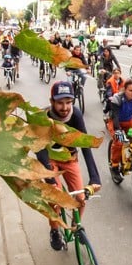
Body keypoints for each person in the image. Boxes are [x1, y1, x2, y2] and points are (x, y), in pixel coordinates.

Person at [35, 81, 103, 251]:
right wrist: (50, 179)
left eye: (68, 102)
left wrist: (95, 177)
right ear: (52, 102)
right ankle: (54, 230)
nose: (65, 107)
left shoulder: (76, 115)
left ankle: (76, 226)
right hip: (50, 161)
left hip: (70, 159)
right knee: (55, 200)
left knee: (80, 198)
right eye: (60, 102)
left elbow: (85, 144)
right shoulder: (43, 118)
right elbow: (39, 149)